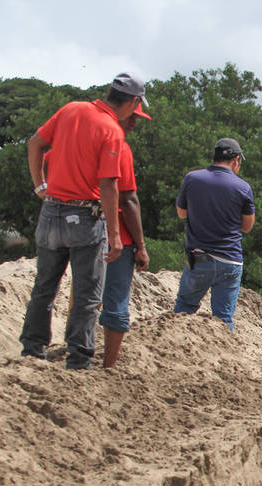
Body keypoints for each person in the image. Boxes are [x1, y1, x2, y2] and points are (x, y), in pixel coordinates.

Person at [20, 72, 146, 370]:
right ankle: (79, 359)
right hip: (86, 216)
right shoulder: (111, 130)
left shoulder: (71, 109)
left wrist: (40, 185)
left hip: (51, 210)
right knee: (88, 294)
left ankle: (32, 349)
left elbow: (35, 143)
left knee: (44, 287)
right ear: (132, 102)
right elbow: (108, 185)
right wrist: (115, 235)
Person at [173, 138, 255, 331]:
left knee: (184, 308)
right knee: (223, 318)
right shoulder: (243, 187)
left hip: (199, 257)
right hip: (230, 261)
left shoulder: (192, 178)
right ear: (235, 160)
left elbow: (181, 213)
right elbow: (247, 226)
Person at [98, 105, 152, 368]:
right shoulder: (121, 149)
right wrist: (141, 246)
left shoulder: (90, 143)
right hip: (119, 238)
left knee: (86, 298)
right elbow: (129, 200)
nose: (134, 123)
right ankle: (108, 365)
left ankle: (78, 355)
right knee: (116, 301)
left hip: (88, 230)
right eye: (131, 116)